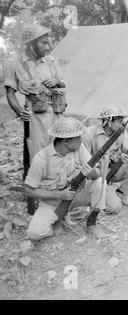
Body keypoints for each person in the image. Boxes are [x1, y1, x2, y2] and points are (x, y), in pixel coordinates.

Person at [24, 117, 107, 240]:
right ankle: (58, 219)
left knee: (100, 182)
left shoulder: (79, 148)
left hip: (76, 197)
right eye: (78, 137)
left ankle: (91, 223)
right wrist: (59, 195)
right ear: (66, 141)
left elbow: (96, 174)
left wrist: (91, 172)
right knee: (34, 233)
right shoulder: (41, 159)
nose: (81, 139)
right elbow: (28, 191)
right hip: (52, 202)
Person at [3, 24, 66, 161]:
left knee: (60, 151)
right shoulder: (14, 63)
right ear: (31, 43)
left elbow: (62, 84)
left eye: (48, 43)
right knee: (38, 155)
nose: (48, 47)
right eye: (44, 43)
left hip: (57, 112)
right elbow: (10, 92)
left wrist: (56, 80)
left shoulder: (51, 61)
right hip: (35, 117)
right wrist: (19, 111)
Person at [82, 107, 128, 213]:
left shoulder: (121, 132)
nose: (122, 124)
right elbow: (85, 163)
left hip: (113, 171)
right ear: (109, 122)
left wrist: (126, 157)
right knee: (115, 208)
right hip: (97, 176)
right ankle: (93, 198)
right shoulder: (90, 134)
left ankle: (122, 195)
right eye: (119, 121)